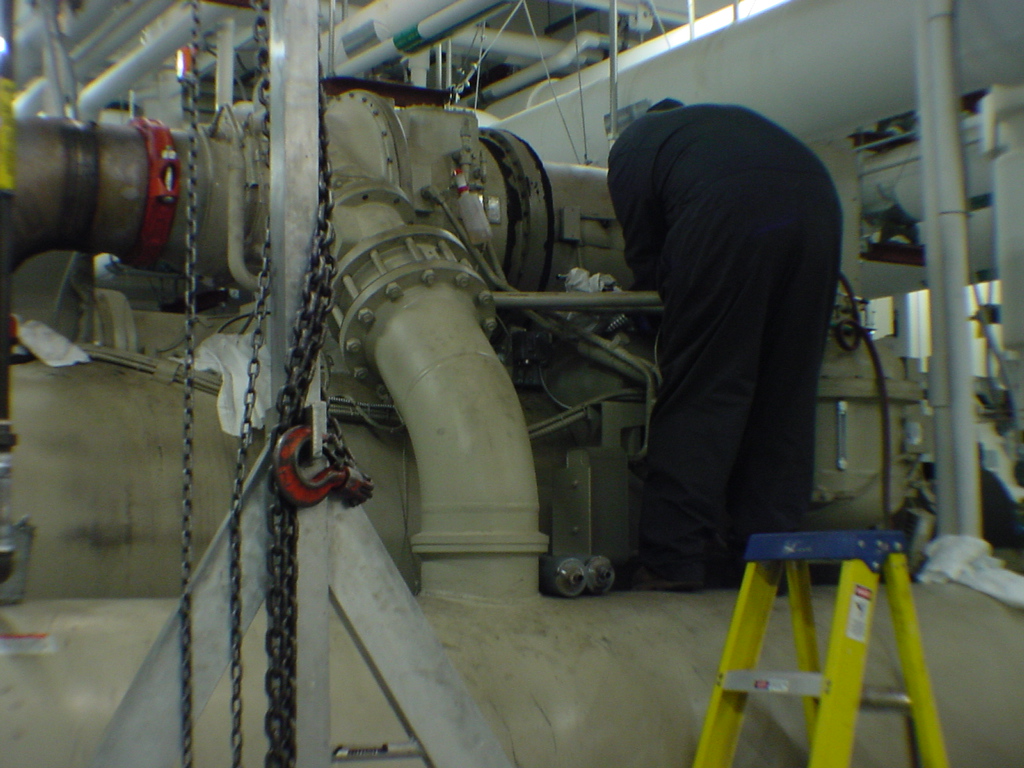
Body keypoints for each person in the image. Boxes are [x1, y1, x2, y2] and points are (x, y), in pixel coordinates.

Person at [606, 102, 841, 590]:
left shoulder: (631, 147)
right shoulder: (715, 126)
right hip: (820, 204)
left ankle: (671, 564)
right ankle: (769, 560)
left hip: (731, 210)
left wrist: (659, 320)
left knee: (707, 390)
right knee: (787, 396)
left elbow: (645, 254)